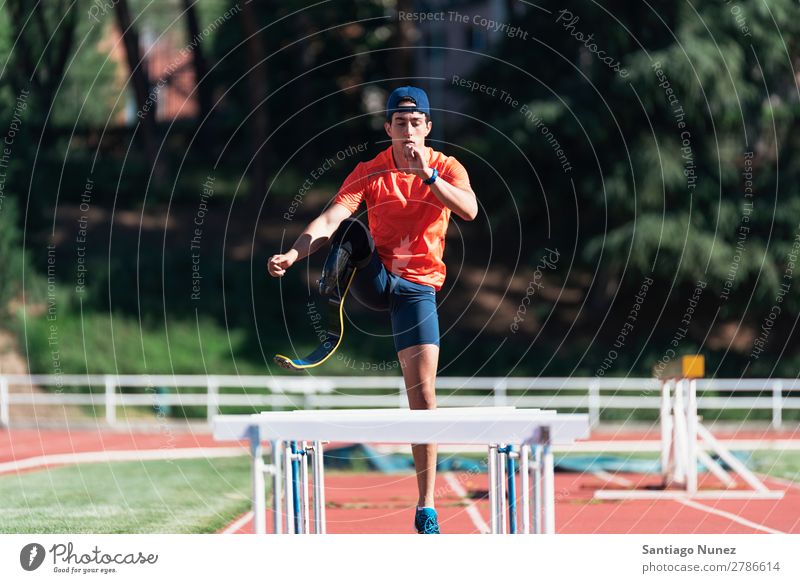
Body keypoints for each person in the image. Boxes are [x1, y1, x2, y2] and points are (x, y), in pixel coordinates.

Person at [267, 86, 477, 533]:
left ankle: (425, 507)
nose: (407, 131)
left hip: (418, 290)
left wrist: (430, 178)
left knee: (423, 398)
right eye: (399, 124)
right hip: (376, 281)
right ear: (388, 129)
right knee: (352, 231)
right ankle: (331, 296)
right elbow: (328, 219)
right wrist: (293, 254)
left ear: (427, 128)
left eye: (415, 123)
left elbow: (471, 211)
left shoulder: (446, 166)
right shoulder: (370, 171)